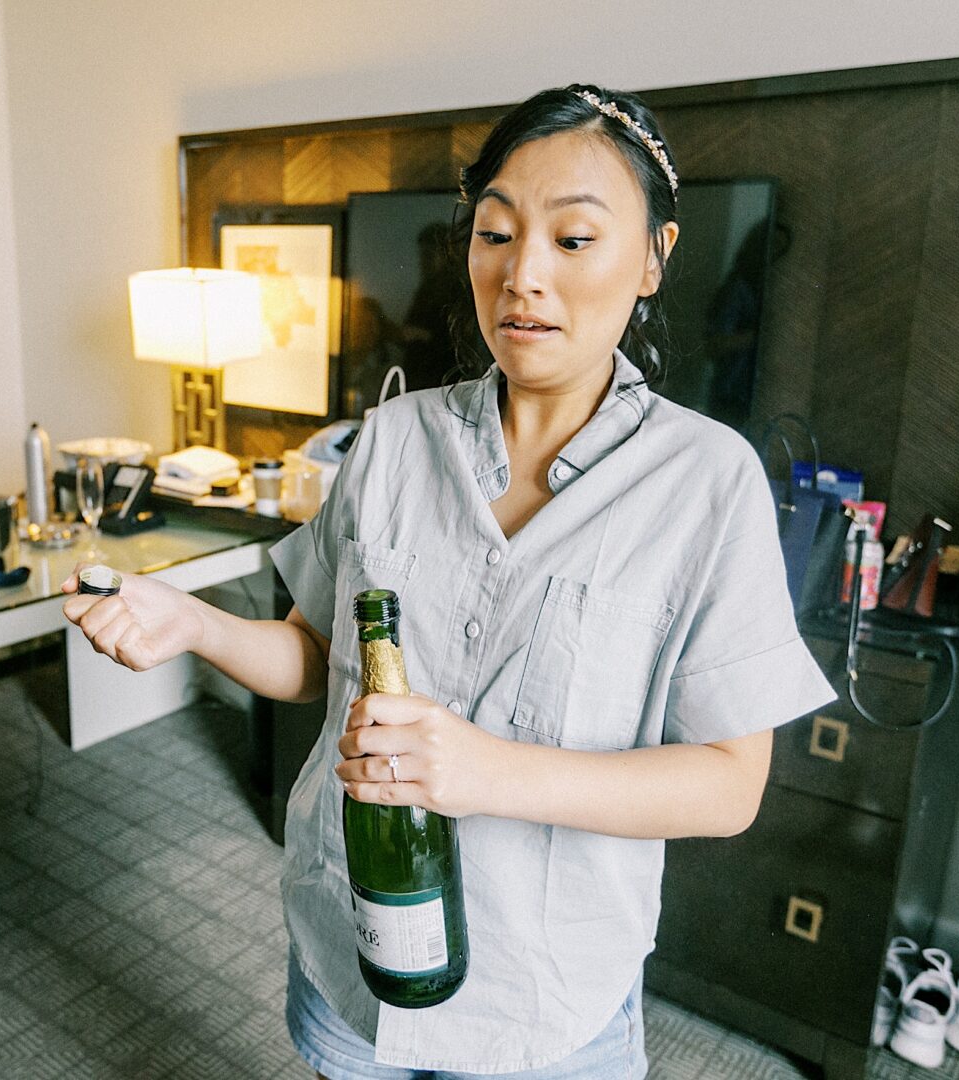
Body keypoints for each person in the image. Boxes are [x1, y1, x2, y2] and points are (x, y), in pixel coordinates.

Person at [63, 84, 835, 1079]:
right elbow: (315, 658)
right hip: (350, 949)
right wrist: (193, 621)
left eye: (573, 239)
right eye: (496, 234)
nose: (523, 276)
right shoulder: (392, 438)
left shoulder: (707, 482)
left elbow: (731, 784)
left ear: (653, 258)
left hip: (544, 1001)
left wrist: (481, 772)